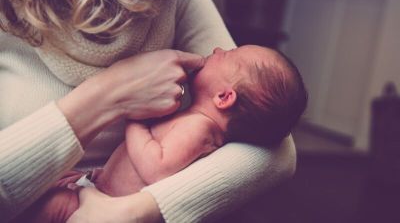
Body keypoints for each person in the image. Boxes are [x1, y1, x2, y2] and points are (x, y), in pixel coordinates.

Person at [0, 0, 297, 223]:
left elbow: (278, 151)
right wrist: (114, 95)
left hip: (98, 197)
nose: (218, 51)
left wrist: (133, 211)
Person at [21, 45, 307, 223]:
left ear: (223, 96)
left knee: (52, 205)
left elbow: (156, 167)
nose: (218, 49)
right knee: (51, 188)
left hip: (109, 206)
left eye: (227, 55)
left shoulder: (198, 129)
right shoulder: (194, 120)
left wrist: (134, 119)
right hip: (101, 187)